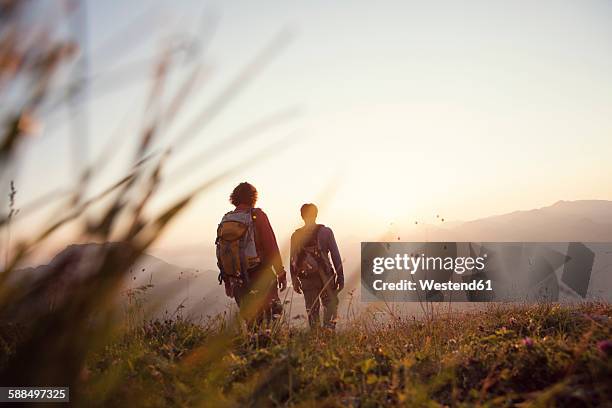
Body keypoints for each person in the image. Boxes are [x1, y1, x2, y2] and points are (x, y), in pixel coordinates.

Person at [218, 182, 287, 325]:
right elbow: (271, 246)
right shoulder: (257, 216)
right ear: (253, 197)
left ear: (234, 198)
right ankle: (270, 346)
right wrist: (280, 272)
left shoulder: (226, 219)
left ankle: (252, 346)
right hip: (260, 274)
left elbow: (222, 252)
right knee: (272, 316)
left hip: (237, 278)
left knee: (251, 321)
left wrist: (227, 281)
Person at [290, 203, 344, 329]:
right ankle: (329, 337)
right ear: (316, 214)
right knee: (329, 308)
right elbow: (336, 255)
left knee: (312, 312)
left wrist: (294, 280)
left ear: (302, 216)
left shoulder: (295, 235)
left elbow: (293, 260)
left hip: (307, 278)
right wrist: (340, 276)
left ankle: (316, 340)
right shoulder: (326, 232)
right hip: (325, 276)